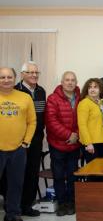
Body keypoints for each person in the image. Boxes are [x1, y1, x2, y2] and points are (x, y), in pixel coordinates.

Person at [0, 67, 36, 221]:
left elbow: (32, 122)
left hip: (18, 149)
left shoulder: (25, 97)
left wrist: (26, 142)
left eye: (9, 77)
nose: (6, 80)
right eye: (2, 77)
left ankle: (13, 213)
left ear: (15, 79)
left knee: (16, 184)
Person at [45, 71, 80, 216]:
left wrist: (76, 135)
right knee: (58, 176)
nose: (70, 82)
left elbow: (85, 120)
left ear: (76, 82)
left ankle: (72, 203)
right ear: (62, 81)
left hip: (74, 145)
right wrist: (68, 135)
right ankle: (62, 203)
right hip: (58, 144)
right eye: (67, 80)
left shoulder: (81, 98)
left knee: (73, 175)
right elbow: (51, 121)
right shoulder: (52, 98)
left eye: (73, 80)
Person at [14, 62, 46, 216]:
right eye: (30, 72)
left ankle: (27, 205)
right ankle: (15, 206)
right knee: (17, 173)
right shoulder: (15, 91)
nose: (34, 75)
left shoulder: (41, 91)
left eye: (36, 72)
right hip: (18, 140)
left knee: (32, 172)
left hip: (37, 139)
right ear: (22, 74)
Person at [78, 78, 103, 164]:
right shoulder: (84, 103)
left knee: (100, 172)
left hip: (101, 143)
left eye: (95, 87)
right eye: (90, 87)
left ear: (100, 90)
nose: (92, 89)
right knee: (93, 174)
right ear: (87, 90)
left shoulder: (101, 103)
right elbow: (82, 125)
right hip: (91, 144)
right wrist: (88, 144)